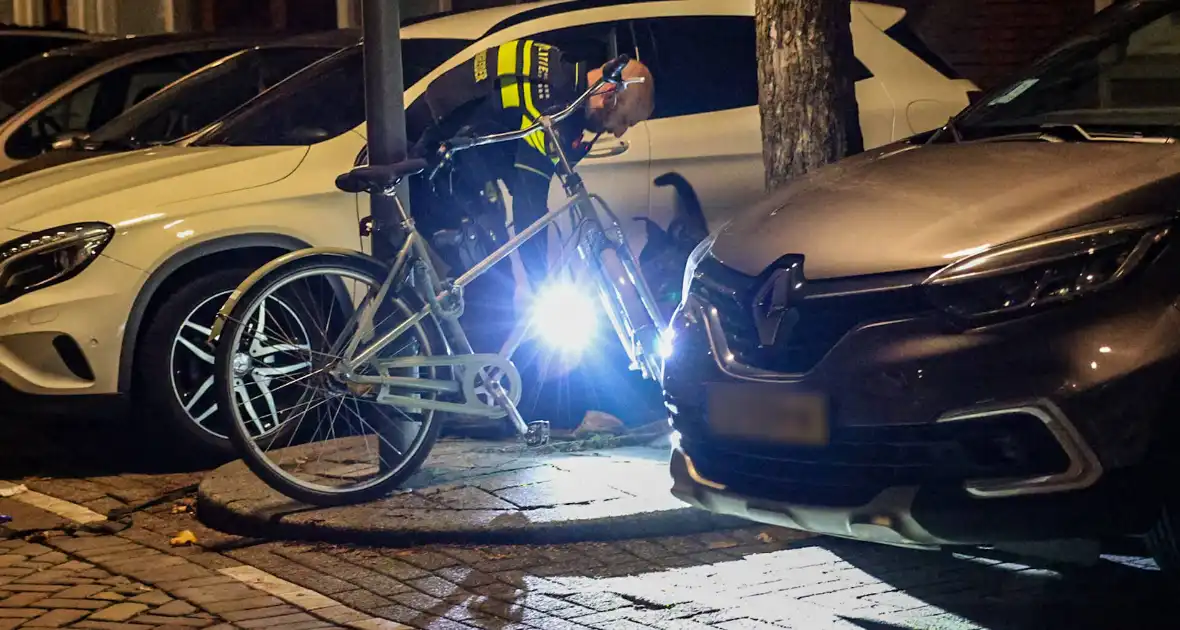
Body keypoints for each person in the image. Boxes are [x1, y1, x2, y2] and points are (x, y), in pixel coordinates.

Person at [403, 39, 655, 354]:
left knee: (486, 270)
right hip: (425, 158)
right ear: (608, 94)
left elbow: (515, 165)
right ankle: (449, 390)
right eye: (625, 121)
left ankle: (449, 372)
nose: (619, 133)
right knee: (490, 289)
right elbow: (528, 208)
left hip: (453, 158)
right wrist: (544, 291)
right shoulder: (554, 111)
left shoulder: (563, 80)